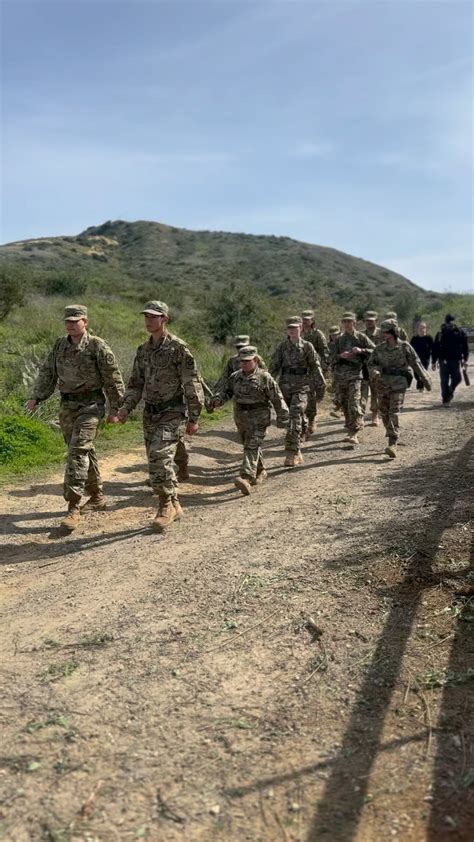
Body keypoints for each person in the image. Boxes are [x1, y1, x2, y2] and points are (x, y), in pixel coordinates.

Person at [26, 304, 125, 531]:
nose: (71, 325)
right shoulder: (60, 345)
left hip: (91, 405)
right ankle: (97, 496)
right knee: (82, 450)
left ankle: (73, 506)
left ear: (85, 322)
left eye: (75, 321)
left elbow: (113, 378)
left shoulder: (97, 346)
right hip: (67, 405)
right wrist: (37, 397)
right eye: (68, 321)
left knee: (77, 451)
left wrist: (117, 409)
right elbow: (48, 372)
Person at [117, 301, 204, 532]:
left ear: (164, 319)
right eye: (146, 316)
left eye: (153, 317)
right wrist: (125, 408)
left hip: (173, 412)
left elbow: (192, 384)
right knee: (156, 462)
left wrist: (194, 417)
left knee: (159, 457)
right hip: (150, 414)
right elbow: (135, 384)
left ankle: (165, 506)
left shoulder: (178, 348)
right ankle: (174, 503)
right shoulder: (143, 350)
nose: (148, 320)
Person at [213, 346, 289, 495]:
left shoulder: (264, 377)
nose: (244, 364)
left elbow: (277, 398)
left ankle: (246, 477)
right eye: (242, 361)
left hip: (259, 417)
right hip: (241, 417)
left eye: (247, 361)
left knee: (251, 445)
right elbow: (227, 391)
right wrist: (218, 400)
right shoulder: (235, 376)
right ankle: (260, 470)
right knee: (249, 444)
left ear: (255, 360)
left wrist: (283, 417)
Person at [368, 319, 431, 458]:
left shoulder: (405, 347)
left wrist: (425, 380)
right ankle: (391, 433)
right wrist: (374, 371)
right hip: (383, 383)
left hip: (399, 383)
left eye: (386, 331)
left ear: (393, 332)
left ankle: (392, 442)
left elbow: (416, 364)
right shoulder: (379, 349)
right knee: (384, 412)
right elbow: (370, 364)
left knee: (394, 411)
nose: (383, 334)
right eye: (383, 331)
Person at [270, 317, 325, 466]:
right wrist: (267, 386)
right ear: (287, 330)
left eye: (295, 327)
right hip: (285, 387)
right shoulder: (282, 347)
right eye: (290, 328)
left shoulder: (307, 346)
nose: (292, 330)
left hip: (302, 387)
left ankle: (292, 453)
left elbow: (315, 367)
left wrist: (321, 386)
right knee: (292, 419)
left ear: (301, 328)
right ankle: (300, 439)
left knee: (295, 414)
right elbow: (274, 367)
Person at [330, 312, 375, 446]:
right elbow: (331, 357)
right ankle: (350, 428)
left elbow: (375, 350)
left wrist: (361, 351)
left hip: (356, 375)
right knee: (344, 403)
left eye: (349, 321)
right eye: (344, 321)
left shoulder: (361, 337)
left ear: (354, 322)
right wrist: (340, 356)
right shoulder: (339, 340)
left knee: (354, 403)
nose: (346, 324)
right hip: (341, 376)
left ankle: (353, 433)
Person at [301, 310, 329, 436]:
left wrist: (323, 368)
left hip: (312, 369)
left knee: (311, 395)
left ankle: (311, 420)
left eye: (308, 319)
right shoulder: (298, 333)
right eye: (303, 319)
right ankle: (301, 421)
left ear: (312, 321)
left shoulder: (317, 334)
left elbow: (324, 352)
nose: (305, 322)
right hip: (299, 369)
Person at [432, 314, 469, 406]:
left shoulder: (441, 332)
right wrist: (465, 359)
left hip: (444, 360)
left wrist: (433, 361)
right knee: (456, 379)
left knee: (445, 380)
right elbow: (465, 346)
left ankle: (446, 399)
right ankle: (448, 395)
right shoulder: (458, 331)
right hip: (453, 360)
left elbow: (435, 348)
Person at [361, 310, 383, 425]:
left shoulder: (382, 334)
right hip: (363, 367)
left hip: (377, 367)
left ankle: (375, 414)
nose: (368, 322)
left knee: (376, 392)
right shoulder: (360, 335)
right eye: (366, 320)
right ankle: (360, 415)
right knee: (362, 393)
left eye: (371, 320)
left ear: (376, 321)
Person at [410, 322, 435, 391]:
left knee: (422, 373)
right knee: (416, 374)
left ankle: (421, 387)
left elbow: (434, 350)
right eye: (420, 328)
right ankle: (420, 383)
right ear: (417, 329)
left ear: (426, 329)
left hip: (425, 359)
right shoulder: (414, 339)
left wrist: (434, 361)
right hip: (415, 359)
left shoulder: (429, 338)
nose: (422, 329)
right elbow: (409, 349)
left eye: (423, 328)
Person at [328, 326, 342, 417]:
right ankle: (338, 408)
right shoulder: (329, 345)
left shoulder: (344, 343)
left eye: (336, 335)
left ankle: (340, 408)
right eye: (332, 335)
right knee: (336, 389)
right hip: (335, 370)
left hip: (346, 370)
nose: (334, 337)